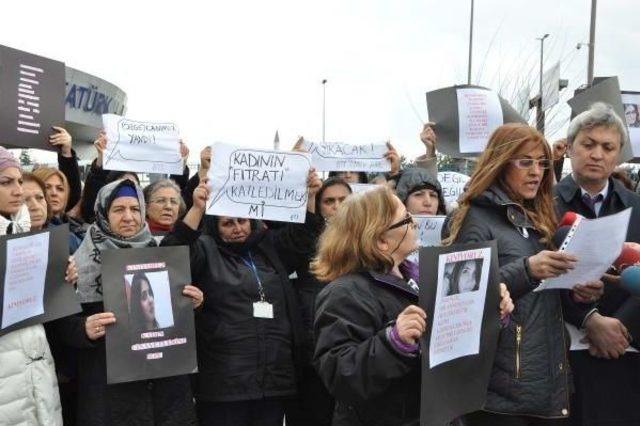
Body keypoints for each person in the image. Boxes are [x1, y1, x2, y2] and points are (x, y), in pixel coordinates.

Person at [312, 186, 514, 425]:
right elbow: (341, 376)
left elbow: (456, 349)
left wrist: (490, 314)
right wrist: (392, 341)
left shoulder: (423, 279)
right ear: (381, 241)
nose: (415, 223)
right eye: (406, 219)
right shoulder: (344, 293)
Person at [443, 123, 604, 424]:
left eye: (542, 163)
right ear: (500, 164)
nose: (536, 171)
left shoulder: (534, 219)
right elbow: (461, 299)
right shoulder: (472, 219)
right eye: (525, 162)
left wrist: (576, 291)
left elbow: (539, 297)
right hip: (500, 392)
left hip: (545, 381)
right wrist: (528, 269)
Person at [162, 168, 323, 426]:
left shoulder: (269, 246)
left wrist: (310, 196)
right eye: (227, 223)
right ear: (215, 224)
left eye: (242, 220)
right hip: (224, 383)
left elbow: (303, 238)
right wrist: (197, 209)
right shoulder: (205, 248)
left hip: (274, 381)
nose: (237, 228)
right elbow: (171, 256)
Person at [51, 179, 202, 425]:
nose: (129, 217)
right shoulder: (77, 264)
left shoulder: (163, 255)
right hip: (111, 395)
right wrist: (84, 329)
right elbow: (61, 327)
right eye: (119, 209)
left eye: (135, 209)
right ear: (103, 213)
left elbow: (176, 321)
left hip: (165, 393)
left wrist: (193, 304)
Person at [554, 102, 640, 426]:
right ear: (571, 147)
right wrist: (589, 320)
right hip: (564, 357)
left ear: (618, 155)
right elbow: (538, 278)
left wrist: (621, 329)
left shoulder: (636, 207)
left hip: (626, 353)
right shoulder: (544, 205)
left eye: (607, 147)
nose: (597, 154)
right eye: (588, 144)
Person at [0, 147, 78, 426]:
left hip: (36, 374)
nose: (17, 190)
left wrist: (62, 280)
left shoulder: (27, 238)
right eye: (5, 183)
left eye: (19, 181)